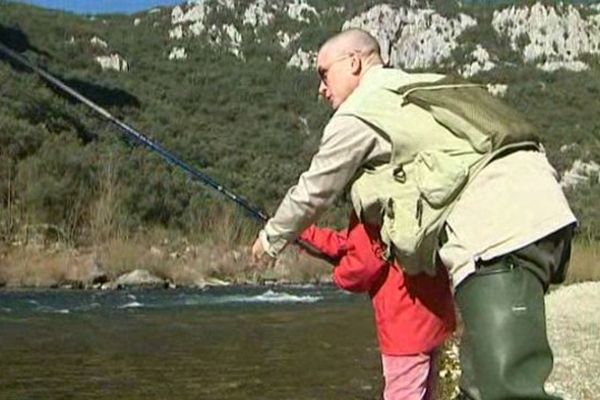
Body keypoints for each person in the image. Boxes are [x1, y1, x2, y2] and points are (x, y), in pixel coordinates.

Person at [251, 28, 577, 399]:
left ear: (353, 62)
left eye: (323, 74)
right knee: (478, 387)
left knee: (505, 392)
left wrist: (270, 239)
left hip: (499, 237)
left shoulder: (360, 111)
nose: (320, 89)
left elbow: (314, 191)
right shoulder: (419, 87)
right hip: (546, 215)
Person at [299, 212, 455, 400]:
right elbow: (354, 241)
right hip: (434, 318)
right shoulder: (415, 192)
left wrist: (340, 274)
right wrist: (304, 233)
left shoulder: (370, 196)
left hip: (403, 329)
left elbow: (364, 264)